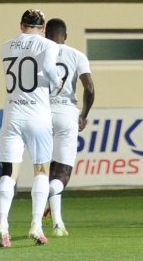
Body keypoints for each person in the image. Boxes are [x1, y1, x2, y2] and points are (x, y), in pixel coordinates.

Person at [0, 9, 60, 247]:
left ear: (21, 25)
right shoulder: (47, 45)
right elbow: (51, 70)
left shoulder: (5, 46)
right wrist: (56, 81)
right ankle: (35, 225)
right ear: (43, 28)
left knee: (8, 173)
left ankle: (2, 228)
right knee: (41, 171)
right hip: (38, 116)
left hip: (12, 115)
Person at [44, 17, 95, 237]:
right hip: (66, 114)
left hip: (42, 114)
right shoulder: (77, 55)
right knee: (62, 173)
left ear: (46, 35)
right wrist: (83, 115)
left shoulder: (40, 53)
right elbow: (90, 88)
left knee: (48, 169)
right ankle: (44, 194)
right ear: (65, 36)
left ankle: (58, 223)